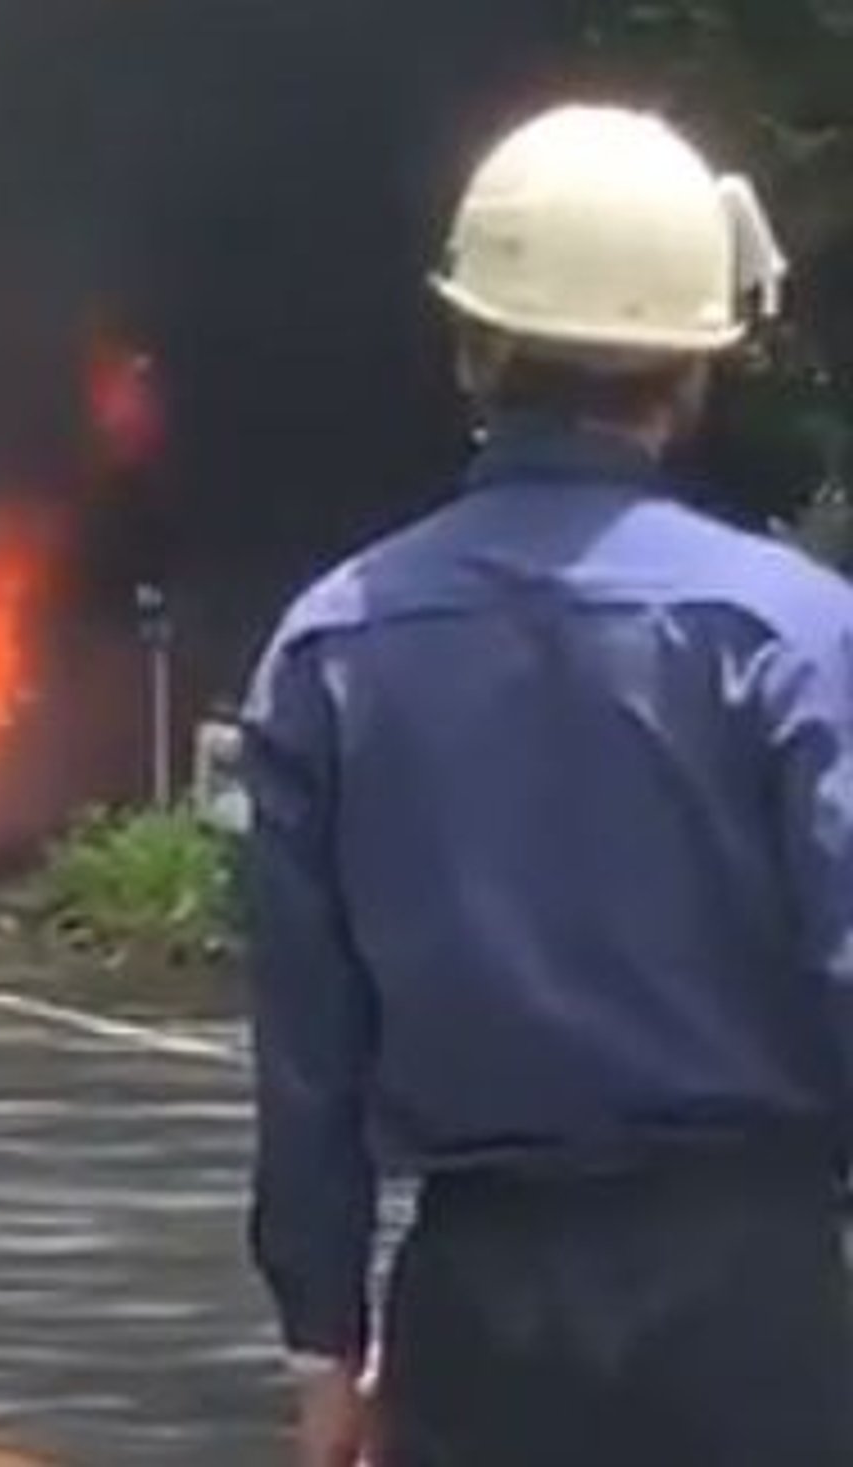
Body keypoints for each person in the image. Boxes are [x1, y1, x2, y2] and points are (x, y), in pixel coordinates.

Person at [240, 102, 853, 1467]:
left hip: (478, 1305)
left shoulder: (331, 645)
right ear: (696, 366)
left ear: (472, 349)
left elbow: (308, 1053)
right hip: (756, 1309)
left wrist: (325, 1344)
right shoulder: (796, 636)